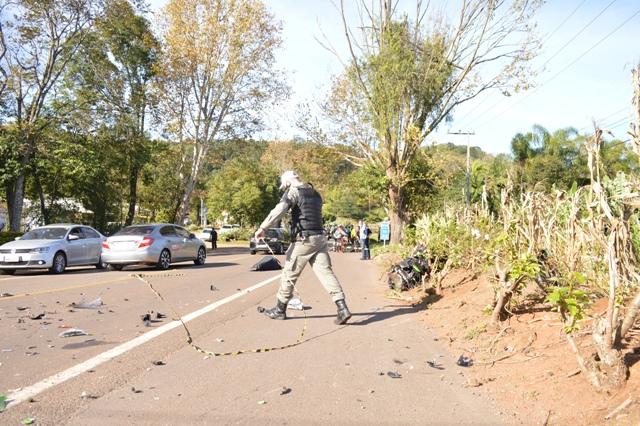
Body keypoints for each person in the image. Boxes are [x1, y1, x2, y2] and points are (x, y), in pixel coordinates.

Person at [254, 170, 352, 325]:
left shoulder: (293, 192)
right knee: (326, 273)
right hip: (320, 238)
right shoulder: (315, 193)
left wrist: (263, 227)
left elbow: (279, 210)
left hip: (304, 240)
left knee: (289, 273)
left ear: (287, 182)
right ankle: (342, 308)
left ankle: (280, 310)